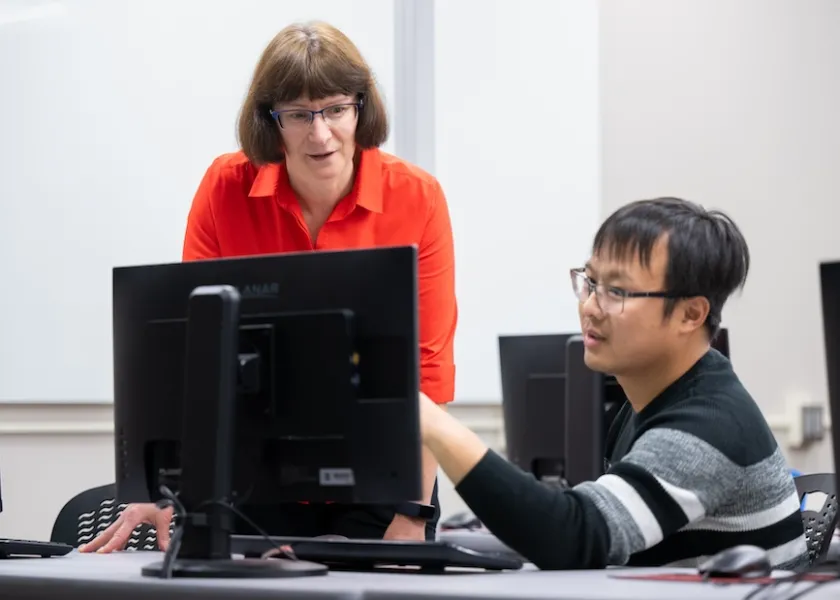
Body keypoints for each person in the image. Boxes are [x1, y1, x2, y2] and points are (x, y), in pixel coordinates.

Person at [80, 20, 456, 554]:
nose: (320, 134)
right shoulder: (224, 188)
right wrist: (173, 489)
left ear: (360, 107)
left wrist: (413, 516)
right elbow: (194, 355)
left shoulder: (417, 199)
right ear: (270, 121)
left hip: (385, 482)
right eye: (299, 115)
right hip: (251, 478)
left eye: (335, 109)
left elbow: (429, 372)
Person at [418, 197, 809, 571]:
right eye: (590, 282)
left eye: (617, 291)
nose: (590, 306)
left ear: (691, 314)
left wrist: (434, 424)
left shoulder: (707, 428)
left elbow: (573, 535)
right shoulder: (646, 403)